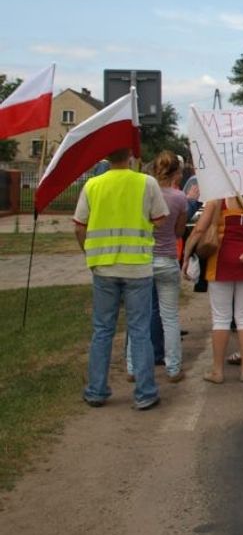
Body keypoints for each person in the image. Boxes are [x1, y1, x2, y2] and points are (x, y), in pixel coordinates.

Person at [75, 147, 169, 410]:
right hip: (137, 266)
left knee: (102, 330)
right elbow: (160, 220)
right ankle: (145, 392)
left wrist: (88, 252)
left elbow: (79, 226)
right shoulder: (146, 182)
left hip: (103, 267)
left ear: (106, 157)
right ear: (131, 156)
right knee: (139, 331)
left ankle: (96, 390)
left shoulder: (93, 185)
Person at [184, 191, 243, 384]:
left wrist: (187, 255)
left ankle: (217, 371)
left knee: (221, 318)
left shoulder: (219, 198)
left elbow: (198, 231)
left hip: (221, 262)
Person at [126, 151, 187, 384]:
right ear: (176, 173)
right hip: (167, 259)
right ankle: (173, 369)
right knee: (169, 316)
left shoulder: (142, 192)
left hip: (142, 259)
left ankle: (133, 367)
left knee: (138, 316)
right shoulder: (179, 198)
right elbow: (179, 232)